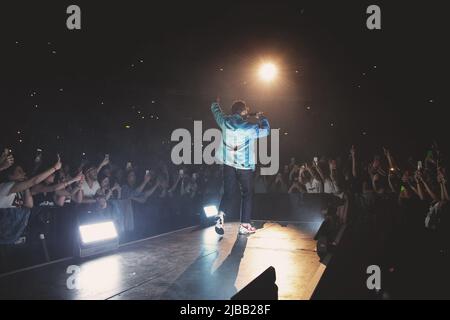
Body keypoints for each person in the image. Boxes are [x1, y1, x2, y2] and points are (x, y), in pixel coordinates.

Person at [211, 97, 270, 235]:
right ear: (243, 111)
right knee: (247, 194)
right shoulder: (249, 128)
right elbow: (266, 130)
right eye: (246, 109)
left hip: (228, 164)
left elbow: (216, 112)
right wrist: (262, 118)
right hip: (244, 167)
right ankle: (244, 225)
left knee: (228, 192)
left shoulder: (225, 121)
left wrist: (216, 102)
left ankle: (220, 216)